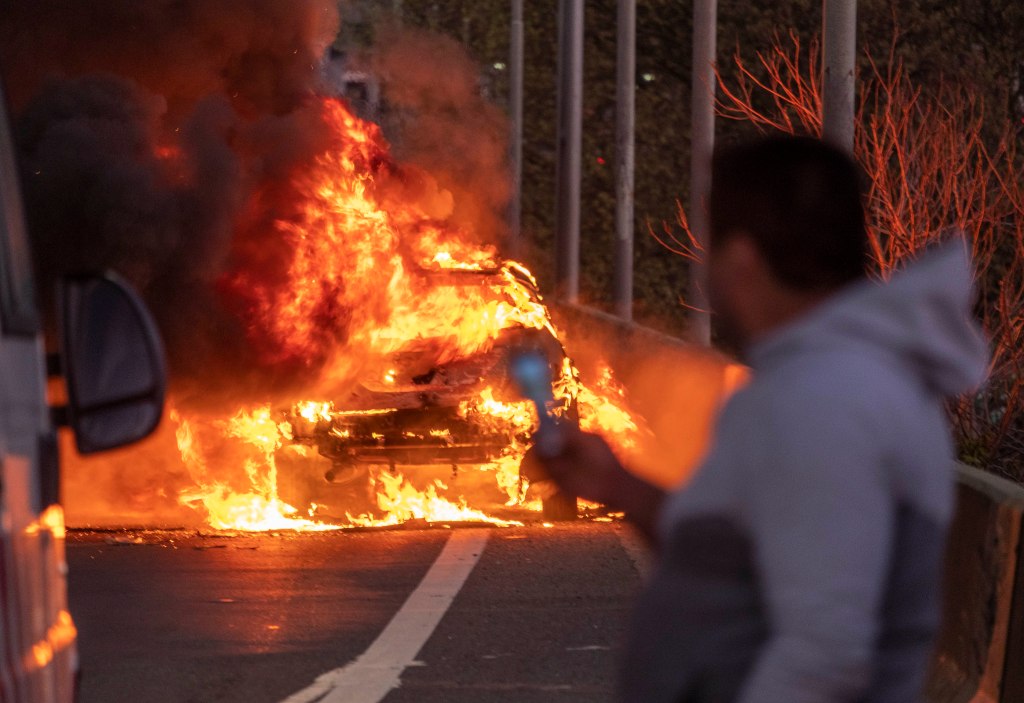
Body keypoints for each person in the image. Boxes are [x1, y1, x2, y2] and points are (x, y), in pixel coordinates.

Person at [530, 136, 990, 702]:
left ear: (742, 259)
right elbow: (753, 558)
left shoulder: (829, 396)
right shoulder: (822, 382)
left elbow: (826, 653)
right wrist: (619, 485)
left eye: (711, 248)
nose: (706, 274)